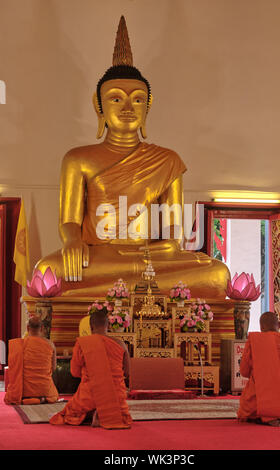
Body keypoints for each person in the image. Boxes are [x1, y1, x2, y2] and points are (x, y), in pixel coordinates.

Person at [35, 16, 230, 299]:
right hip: (98, 256)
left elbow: (173, 230)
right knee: (46, 269)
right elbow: (69, 220)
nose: (128, 106)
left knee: (216, 273)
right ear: (98, 106)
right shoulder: (78, 159)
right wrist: (73, 242)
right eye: (116, 98)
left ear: (147, 107)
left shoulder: (168, 160)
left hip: (150, 259)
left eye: (137, 99)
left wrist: (163, 249)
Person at [49, 305, 132, 428]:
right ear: (108, 326)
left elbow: (74, 372)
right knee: (116, 403)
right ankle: (104, 412)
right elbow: (127, 373)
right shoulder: (121, 344)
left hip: (89, 396)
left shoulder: (83, 344)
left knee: (70, 412)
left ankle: (93, 411)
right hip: (115, 397)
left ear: (90, 327)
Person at [238, 311, 280, 426]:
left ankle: (267, 415)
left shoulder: (255, 341)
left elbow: (244, 371)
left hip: (262, 400)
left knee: (247, 402)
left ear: (261, 327)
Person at [4, 316, 58, 405]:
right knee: (53, 395)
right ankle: (41, 399)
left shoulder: (19, 345)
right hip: (45, 390)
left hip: (23, 391)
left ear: (28, 328)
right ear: (42, 328)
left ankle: (27, 399)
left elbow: (13, 369)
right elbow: (54, 367)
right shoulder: (50, 344)